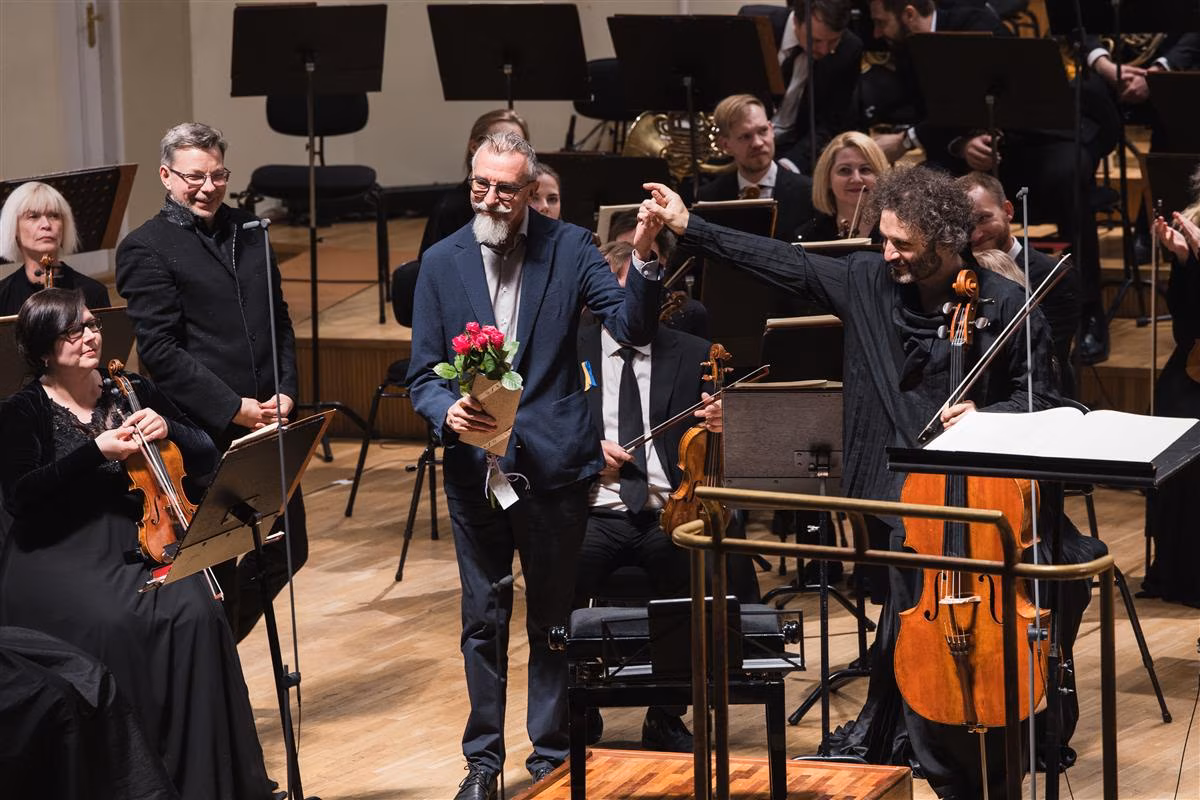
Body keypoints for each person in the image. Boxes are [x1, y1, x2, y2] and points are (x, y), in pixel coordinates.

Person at [638, 166, 1071, 798]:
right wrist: (690, 227)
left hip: (982, 510)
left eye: (903, 244)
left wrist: (989, 414)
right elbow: (784, 263)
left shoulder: (1004, 306)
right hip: (895, 497)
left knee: (966, 644)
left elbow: (1048, 400)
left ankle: (984, 764)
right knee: (915, 632)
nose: (887, 253)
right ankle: (935, 758)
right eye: (884, 239)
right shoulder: (868, 281)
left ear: (947, 240)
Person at [406, 131, 661, 800]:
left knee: (552, 616)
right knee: (482, 617)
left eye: (505, 188)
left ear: (529, 192)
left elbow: (631, 327)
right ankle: (483, 762)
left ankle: (550, 752)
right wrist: (446, 412)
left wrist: (644, 258)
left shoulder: (570, 246)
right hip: (476, 469)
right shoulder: (440, 261)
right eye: (480, 185)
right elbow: (423, 373)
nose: (490, 198)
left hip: (555, 465)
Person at [0, 288, 273, 799]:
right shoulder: (23, 410)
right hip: (57, 550)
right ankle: (138, 781)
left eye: (91, 325)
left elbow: (206, 455)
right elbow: (20, 495)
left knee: (197, 611)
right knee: (117, 623)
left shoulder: (129, 388)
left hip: (143, 537)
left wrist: (171, 428)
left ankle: (200, 781)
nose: (89, 336)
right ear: (42, 349)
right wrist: (94, 453)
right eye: (72, 331)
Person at [115, 121, 304, 643]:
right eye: (194, 177)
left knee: (290, 546)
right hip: (204, 431)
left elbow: (279, 320)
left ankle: (219, 652)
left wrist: (286, 390)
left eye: (218, 175)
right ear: (166, 176)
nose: (208, 187)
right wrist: (233, 407)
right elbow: (159, 351)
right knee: (218, 565)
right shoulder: (145, 247)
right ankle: (215, 666)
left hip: (269, 418)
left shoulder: (252, 230)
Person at [574, 240, 725, 753]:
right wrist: (587, 453)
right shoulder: (571, 351)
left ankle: (666, 712)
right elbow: (545, 430)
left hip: (668, 507)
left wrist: (724, 421)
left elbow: (725, 442)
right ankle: (579, 704)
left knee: (687, 568)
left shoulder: (693, 352)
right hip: (596, 508)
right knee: (560, 574)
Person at [957, 171, 1080, 394]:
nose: (975, 235)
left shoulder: (1053, 275)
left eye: (983, 218)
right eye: (965, 225)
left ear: (1007, 211)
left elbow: (1049, 354)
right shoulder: (957, 274)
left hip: (1037, 396)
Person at [1144, 183, 1200, 608]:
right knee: (1172, 412)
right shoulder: (1194, 220)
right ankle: (1178, 567)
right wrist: (1184, 260)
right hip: (1196, 360)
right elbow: (1187, 324)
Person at [741, 0, 864, 175]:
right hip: (744, 140)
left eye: (833, 41)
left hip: (795, 149)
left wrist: (791, 164)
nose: (824, 50)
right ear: (796, 22)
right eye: (816, 40)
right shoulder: (753, 22)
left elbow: (831, 121)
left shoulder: (849, 49)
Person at [698, 93, 815, 243]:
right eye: (746, 136)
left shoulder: (808, 192)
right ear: (725, 145)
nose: (758, 143)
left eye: (763, 131)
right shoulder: (709, 199)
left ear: (771, 129)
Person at [420, 109, 530, 257]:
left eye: (518, 146)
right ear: (474, 147)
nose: (510, 154)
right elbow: (433, 266)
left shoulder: (530, 201)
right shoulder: (449, 209)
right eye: (500, 145)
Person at [0, 181, 110, 315]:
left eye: (54, 216)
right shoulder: (2, 297)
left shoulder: (93, 293)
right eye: (33, 216)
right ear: (13, 229)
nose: (46, 224)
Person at [799, 130, 889, 242]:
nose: (856, 179)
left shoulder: (900, 230)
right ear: (827, 179)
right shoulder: (810, 235)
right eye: (844, 170)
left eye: (865, 169)